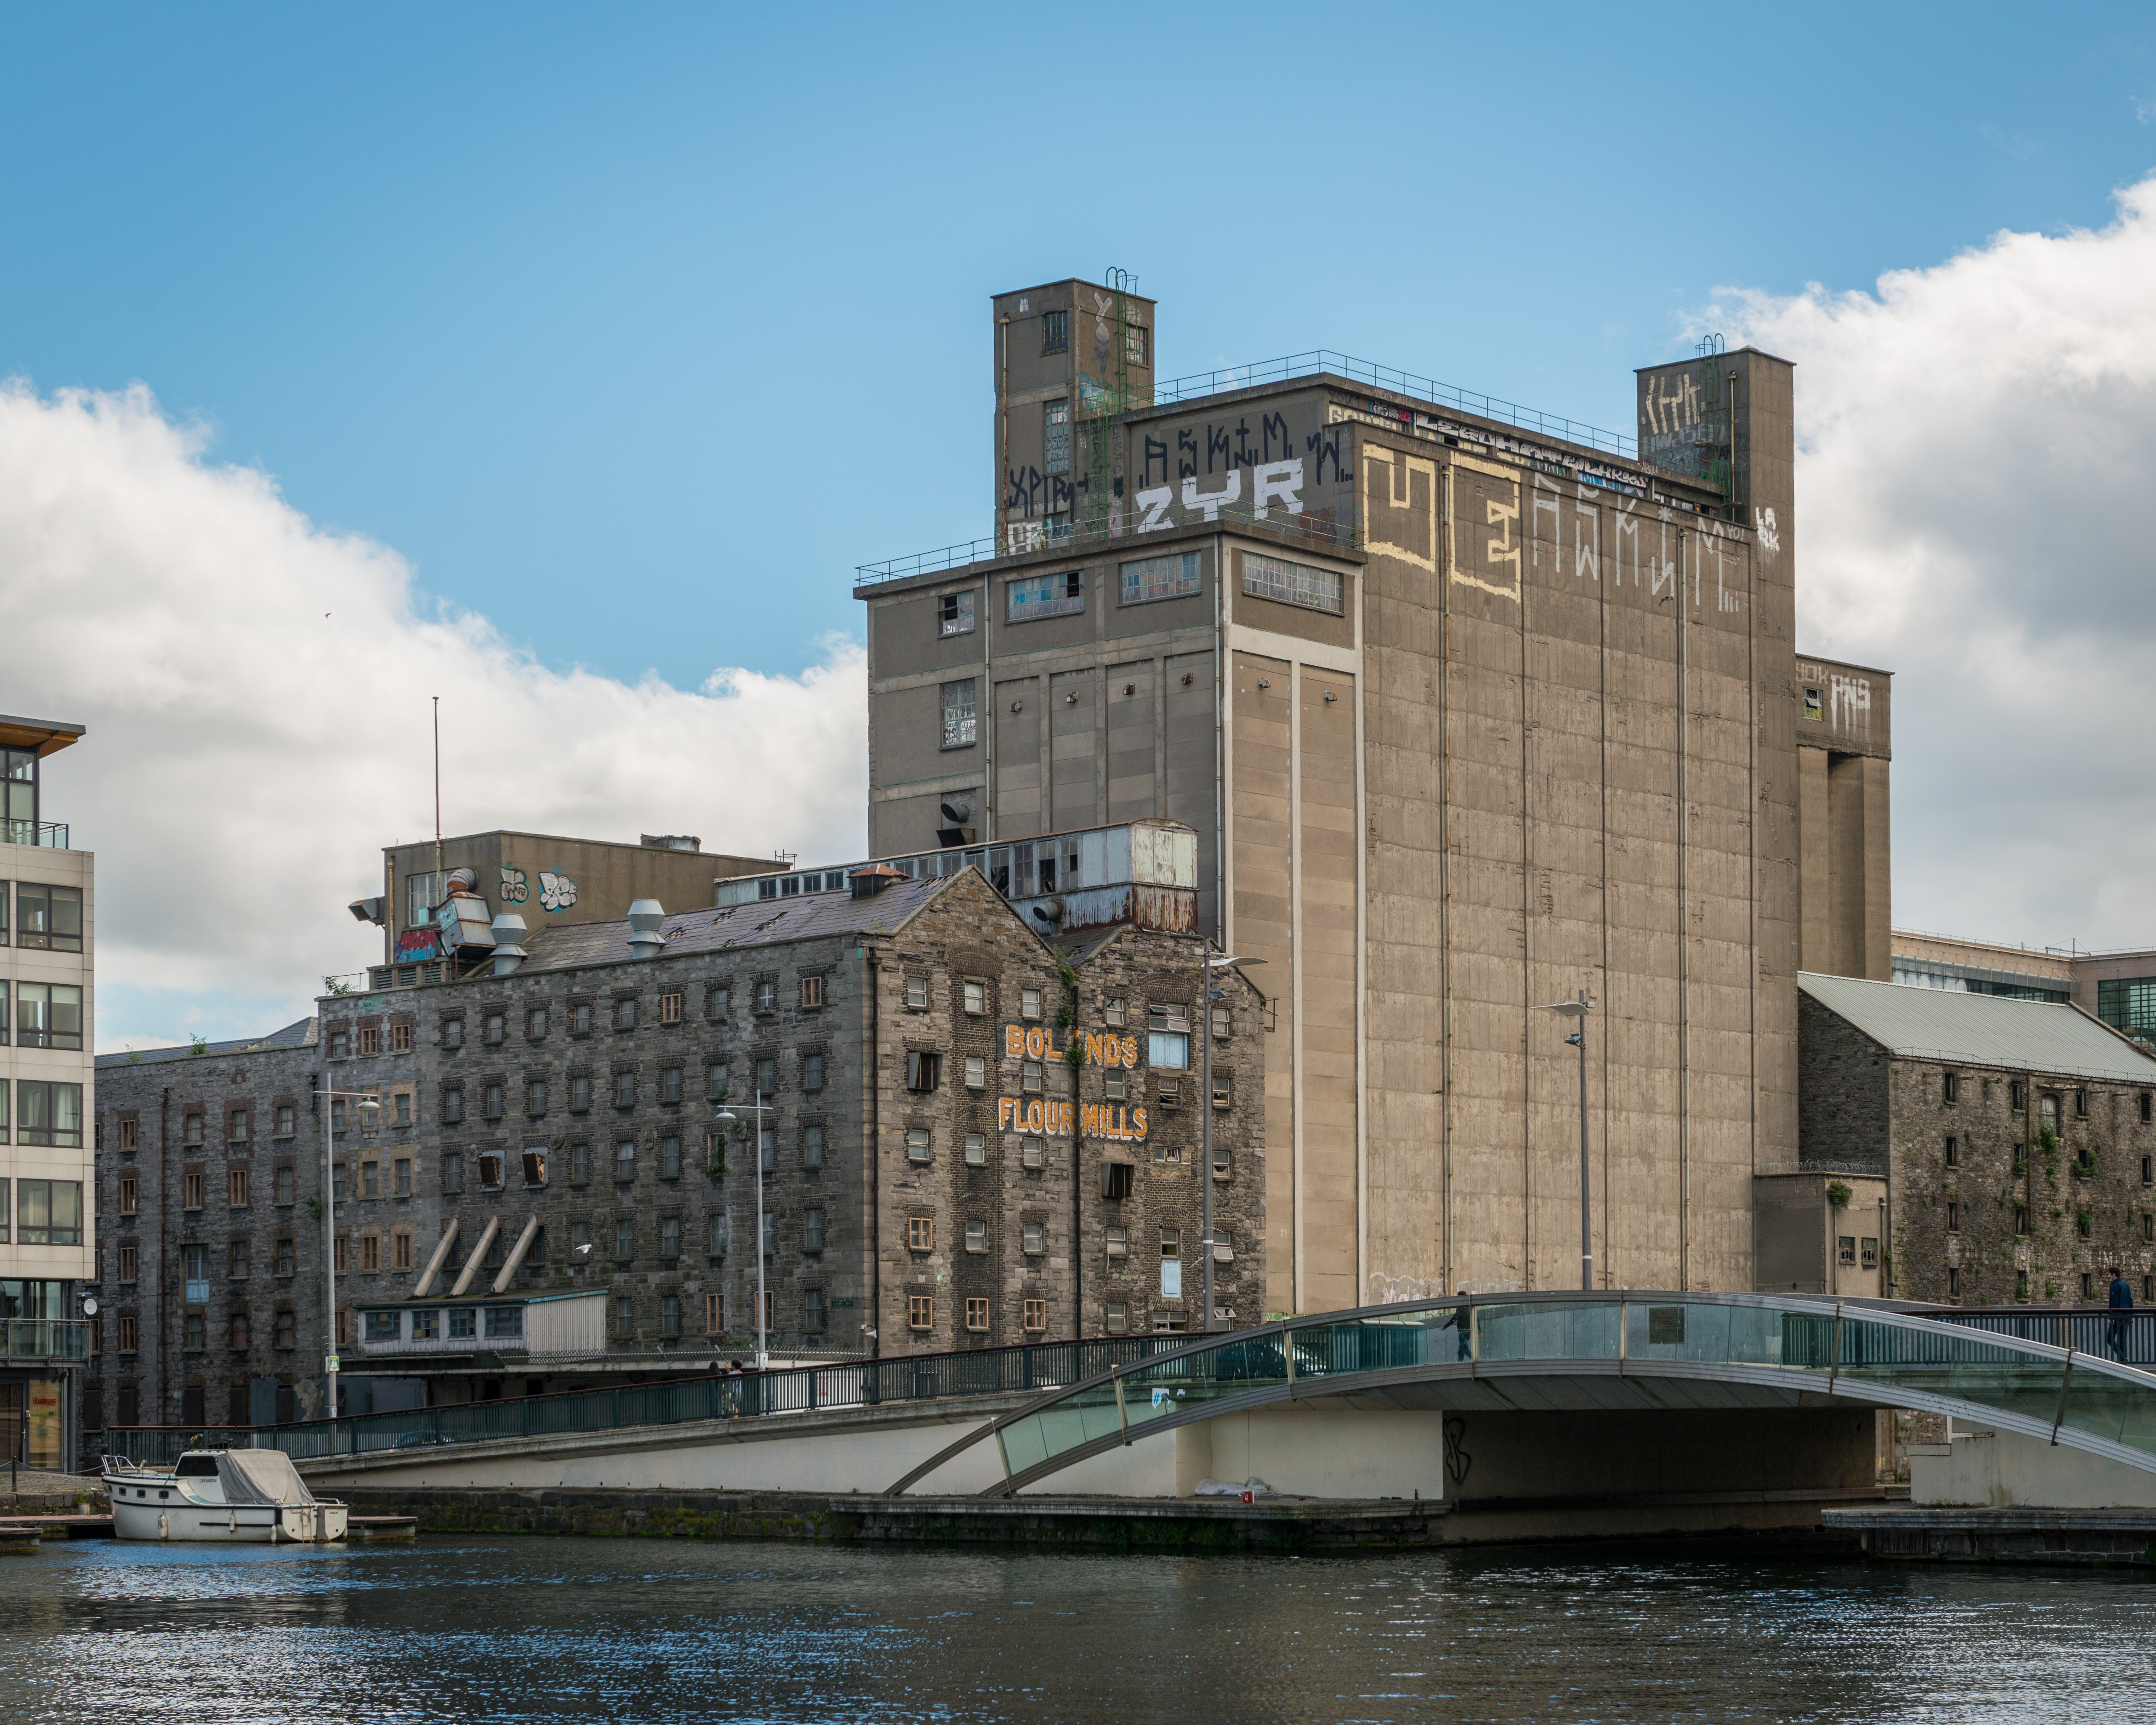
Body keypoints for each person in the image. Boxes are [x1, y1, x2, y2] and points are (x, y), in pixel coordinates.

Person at [2107, 1266, 2134, 1364]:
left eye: (2110, 1274)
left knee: (2110, 1338)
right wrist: (2130, 1317)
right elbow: (2130, 1301)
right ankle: (2124, 1363)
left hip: (2117, 1317)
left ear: (2114, 1274)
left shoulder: (2115, 1286)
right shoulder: (2125, 1286)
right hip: (2126, 1317)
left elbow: (2114, 1304)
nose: (2109, 1277)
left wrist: (2113, 1317)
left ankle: (2122, 1358)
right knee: (2123, 1340)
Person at [1438, 1289, 1473, 1362]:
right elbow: (1476, 1318)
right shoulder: (1470, 1306)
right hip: (1469, 1331)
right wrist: (1479, 1331)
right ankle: (1460, 1364)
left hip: (1462, 1332)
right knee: (1461, 1351)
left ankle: (1476, 1360)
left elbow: (1454, 1319)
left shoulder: (1461, 1308)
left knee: (1465, 1350)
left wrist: (1444, 1327)